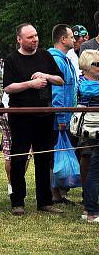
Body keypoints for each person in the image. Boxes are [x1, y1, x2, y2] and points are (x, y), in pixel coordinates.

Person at [3, 23, 64, 215]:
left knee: (44, 158)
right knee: (19, 158)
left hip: (44, 115)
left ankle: (44, 201)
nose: (35, 39)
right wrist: (31, 84)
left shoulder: (46, 56)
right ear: (19, 40)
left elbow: (60, 80)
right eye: (30, 37)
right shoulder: (12, 59)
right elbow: (8, 87)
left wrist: (45, 75)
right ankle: (17, 202)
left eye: (36, 36)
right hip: (21, 116)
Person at [48, 24, 79, 205]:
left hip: (67, 115)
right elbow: (57, 92)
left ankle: (59, 191)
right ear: (63, 39)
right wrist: (60, 116)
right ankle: (54, 192)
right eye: (71, 37)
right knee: (55, 154)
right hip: (60, 117)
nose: (74, 40)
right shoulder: (57, 60)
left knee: (61, 152)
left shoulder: (65, 59)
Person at [76, 50, 99, 222]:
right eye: (97, 64)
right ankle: (91, 211)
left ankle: (89, 208)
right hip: (92, 130)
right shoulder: (83, 82)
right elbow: (88, 92)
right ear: (87, 66)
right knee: (94, 169)